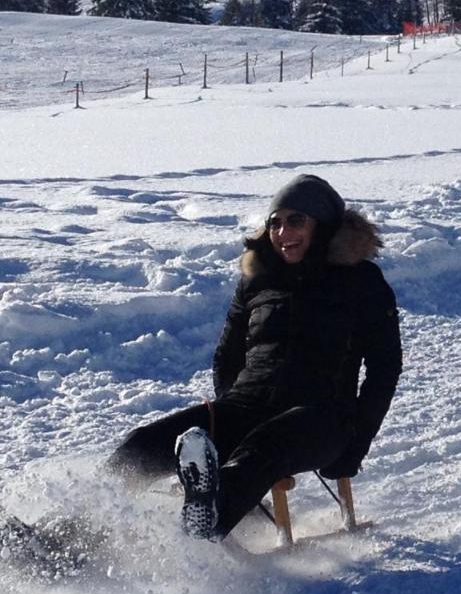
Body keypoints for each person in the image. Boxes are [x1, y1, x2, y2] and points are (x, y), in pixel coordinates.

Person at [108, 174, 403, 540]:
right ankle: (71, 532)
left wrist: (357, 441)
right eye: (275, 223)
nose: (283, 232)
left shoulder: (362, 281)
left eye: (297, 220)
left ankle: (209, 516)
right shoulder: (258, 279)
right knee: (143, 445)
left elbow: (384, 368)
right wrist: (231, 410)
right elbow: (227, 355)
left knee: (264, 447)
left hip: (323, 417)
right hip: (248, 406)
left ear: (323, 225)